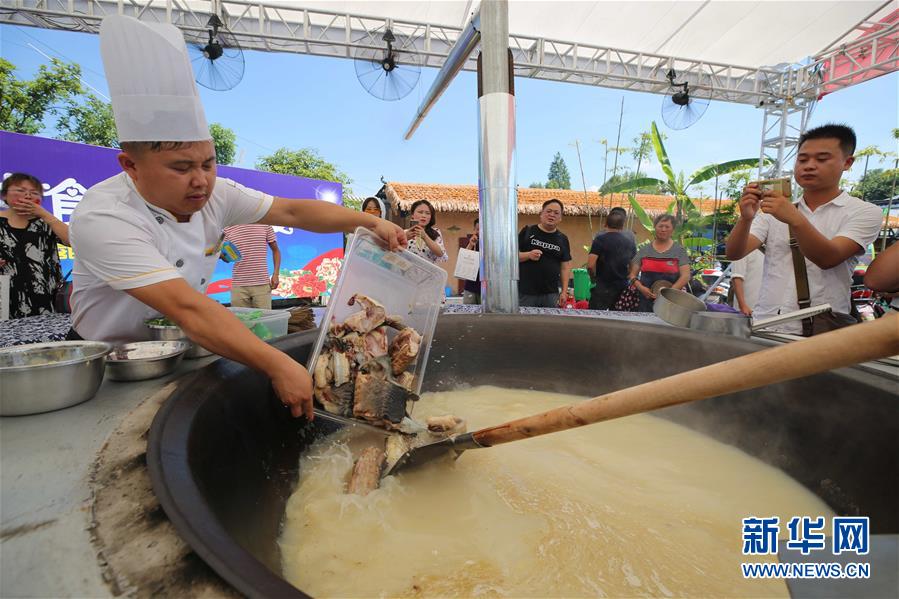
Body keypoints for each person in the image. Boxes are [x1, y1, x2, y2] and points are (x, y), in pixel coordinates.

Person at [68, 15, 406, 421]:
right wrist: (277, 363)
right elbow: (187, 309)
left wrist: (366, 222)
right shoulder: (103, 216)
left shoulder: (217, 193)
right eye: (181, 168)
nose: (201, 181)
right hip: (110, 368)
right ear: (131, 165)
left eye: (209, 164)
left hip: (185, 351)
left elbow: (293, 209)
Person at [726, 124, 883, 333]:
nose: (809, 166)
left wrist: (795, 219)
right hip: (766, 323)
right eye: (802, 159)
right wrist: (745, 219)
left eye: (822, 159)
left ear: (847, 162)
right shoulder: (775, 210)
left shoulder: (864, 212)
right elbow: (735, 252)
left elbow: (828, 258)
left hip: (821, 330)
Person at [0, 173, 70, 319]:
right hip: (5, 297)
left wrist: (45, 215)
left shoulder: (45, 223)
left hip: (46, 296)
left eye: (34, 192)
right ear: (4, 195)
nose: (27, 196)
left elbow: (73, 241)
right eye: (20, 190)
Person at [628, 214, 690, 312]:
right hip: (645, 300)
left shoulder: (679, 251)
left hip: (670, 302)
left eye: (667, 227)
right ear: (655, 228)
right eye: (660, 226)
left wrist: (668, 294)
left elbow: (685, 276)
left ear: (673, 230)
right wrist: (641, 288)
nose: (663, 229)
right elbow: (632, 275)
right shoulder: (644, 250)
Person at [518, 199, 572, 307]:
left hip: (551, 294)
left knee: (549, 323)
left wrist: (564, 291)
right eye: (548, 211)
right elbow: (511, 257)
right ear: (541, 214)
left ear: (560, 218)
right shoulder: (528, 232)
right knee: (525, 322)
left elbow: (565, 267)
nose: (552, 215)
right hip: (526, 292)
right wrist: (528, 255)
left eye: (556, 213)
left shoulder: (562, 239)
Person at [587, 208, 636, 310]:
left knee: (596, 317)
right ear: (622, 226)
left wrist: (593, 279)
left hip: (602, 286)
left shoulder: (600, 239)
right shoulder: (629, 241)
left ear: (606, 224)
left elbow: (590, 265)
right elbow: (634, 265)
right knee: (617, 319)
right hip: (621, 287)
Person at [223, 224, 280, 309]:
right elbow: (226, 258)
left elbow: (276, 251)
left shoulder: (265, 225)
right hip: (239, 286)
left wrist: (276, 274)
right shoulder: (228, 228)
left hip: (262, 284)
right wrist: (222, 255)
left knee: (265, 320)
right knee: (240, 320)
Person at [403, 199, 448, 263]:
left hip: (428, 272)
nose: (424, 216)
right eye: (420, 212)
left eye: (428, 213)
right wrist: (405, 237)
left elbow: (440, 254)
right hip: (407, 272)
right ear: (412, 215)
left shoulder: (435, 233)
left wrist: (425, 237)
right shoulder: (404, 232)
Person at [730, 248, 764, 316]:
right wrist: (743, 306)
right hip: (748, 311)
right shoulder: (742, 249)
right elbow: (736, 278)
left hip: (765, 310)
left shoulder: (769, 250)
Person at [462, 217, 481, 304]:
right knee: (468, 314)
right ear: (474, 229)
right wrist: (470, 245)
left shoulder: (494, 244)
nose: (480, 232)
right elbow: (463, 259)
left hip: (487, 289)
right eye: (478, 229)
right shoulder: (471, 242)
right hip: (470, 287)